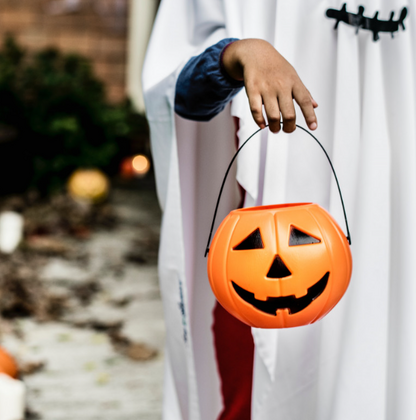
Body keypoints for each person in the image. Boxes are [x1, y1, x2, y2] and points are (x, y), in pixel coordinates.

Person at [142, 1, 416, 420]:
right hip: (267, 195)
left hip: (394, 181)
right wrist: (238, 54)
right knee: (258, 358)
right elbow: (175, 84)